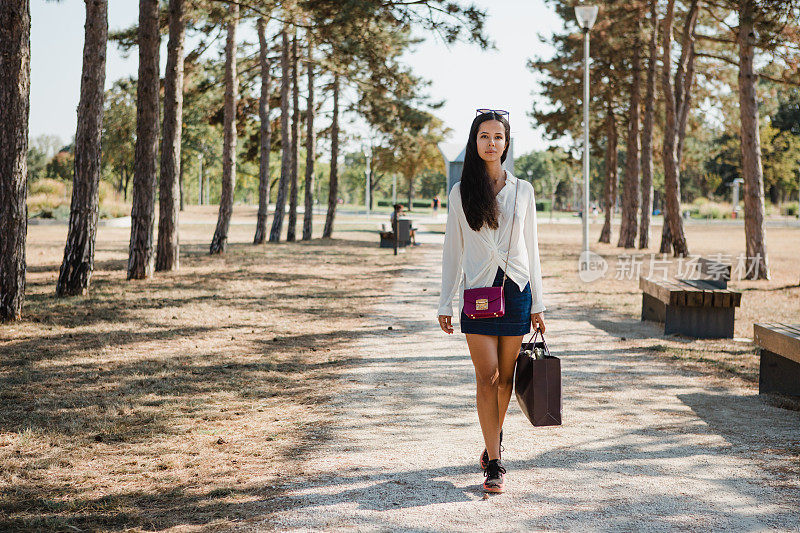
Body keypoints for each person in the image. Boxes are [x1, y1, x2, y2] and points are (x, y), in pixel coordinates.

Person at [437, 110, 546, 494]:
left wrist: (538, 303)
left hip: (516, 291)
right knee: (487, 377)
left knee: (506, 380)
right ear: (475, 141)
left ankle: (491, 442)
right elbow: (454, 249)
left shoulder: (523, 190)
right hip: (479, 295)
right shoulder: (460, 192)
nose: (491, 143)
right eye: (484, 136)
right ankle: (495, 462)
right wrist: (445, 302)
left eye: (498, 137)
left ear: (506, 142)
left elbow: (531, 249)